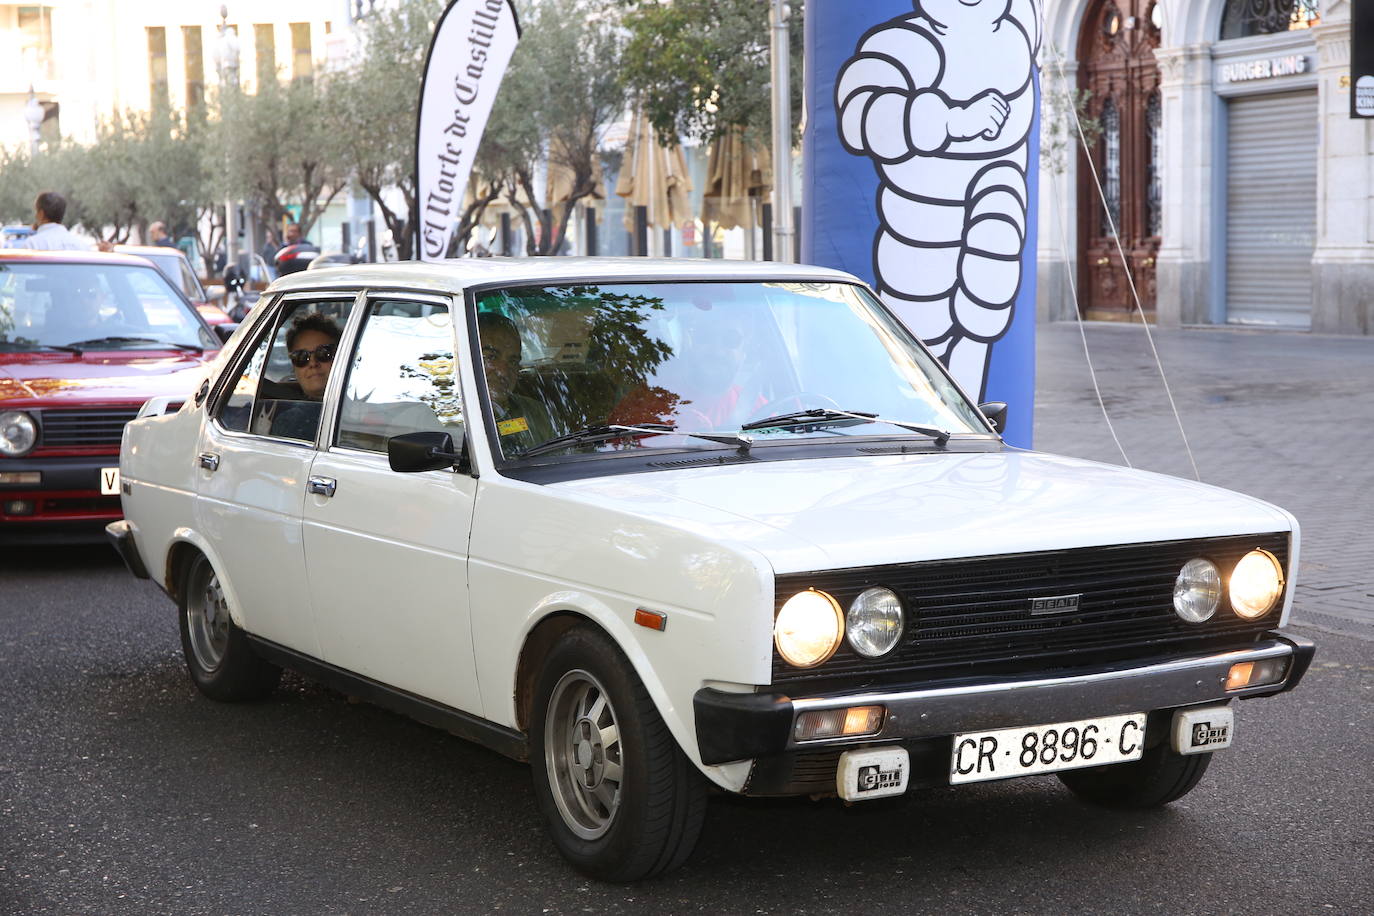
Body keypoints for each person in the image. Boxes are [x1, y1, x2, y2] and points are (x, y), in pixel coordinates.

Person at [477, 311, 557, 454]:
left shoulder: (538, 413)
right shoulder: (453, 418)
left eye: (513, 361)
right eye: (490, 357)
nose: (503, 371)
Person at [265, 312, 342, 440]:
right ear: (293, 366)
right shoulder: (289, 422)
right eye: (301, 357)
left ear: (341, 356)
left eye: (323, 353)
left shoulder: (361, 410)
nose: (312, 363)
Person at [4, 192, 92, 251]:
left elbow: (20, 277)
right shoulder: (82, 246)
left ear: (41, 214)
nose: (35, 216)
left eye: (36, 211)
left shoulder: (32, 245)